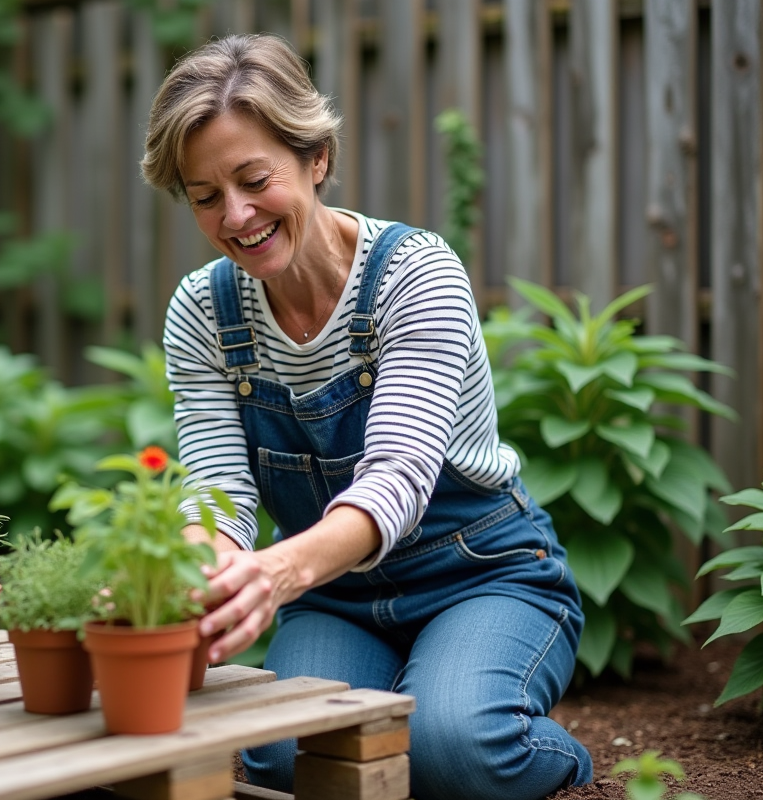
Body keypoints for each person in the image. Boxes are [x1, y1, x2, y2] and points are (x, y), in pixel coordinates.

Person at [141, 33, 592, 800]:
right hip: (336, 598)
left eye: (254, 179)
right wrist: (200, 572)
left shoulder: (415, 276)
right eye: (205, 196)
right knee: (285, 758)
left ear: (316, 158)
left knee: (458, 744)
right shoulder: (203, 313)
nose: (236, 216)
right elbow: (216, 487)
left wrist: (274, 574)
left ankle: (564, 764)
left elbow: (400, 477)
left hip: (479, 574)